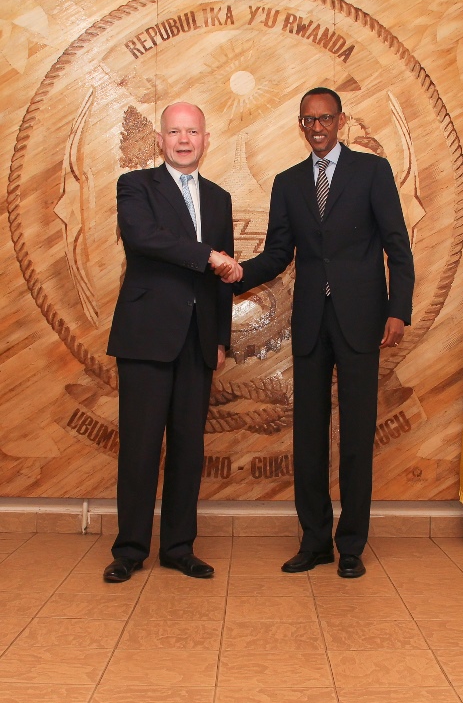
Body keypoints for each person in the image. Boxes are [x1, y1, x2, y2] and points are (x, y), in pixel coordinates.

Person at [233, 87, 414, 578]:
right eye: (309, 120)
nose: (317, 127)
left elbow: (397, 246)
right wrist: (237, 274)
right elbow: (278, 254)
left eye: (326, 118)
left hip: (363, 321)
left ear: (341, 121)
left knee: (356, 436)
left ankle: (351, 544)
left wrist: (398, 310)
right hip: (311, 322)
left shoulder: (372, 172)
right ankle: (314, 542)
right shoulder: (288, 182)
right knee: (309, 438)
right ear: (301, 125)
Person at [103, 102, 242, 583]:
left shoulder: (220, 198)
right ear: (160, 140)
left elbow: (221, 282)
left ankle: (179, 547)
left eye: (193, 131)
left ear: (206, 139)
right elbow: (144, 238)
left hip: (198, 340)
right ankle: (129, 549)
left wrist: (220, 338)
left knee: (188, 449)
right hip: (146, 336)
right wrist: (210, 256)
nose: (184, 140)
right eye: (175, 132)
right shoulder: (135, 185)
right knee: (140, 447)